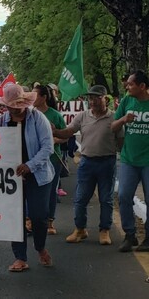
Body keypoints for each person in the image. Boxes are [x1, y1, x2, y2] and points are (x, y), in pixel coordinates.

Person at [0, 84, 55, 272]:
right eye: (11, 105)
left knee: (38, 216)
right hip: (12, 179)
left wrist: (29, 165)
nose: (15, 108)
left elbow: (47, 148)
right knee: (15, 218)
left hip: (38, 176)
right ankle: (20, 257)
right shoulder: (0, 123)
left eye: (18, 105)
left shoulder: (38, 119)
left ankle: (40, 247)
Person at [53, 85, 123, 245]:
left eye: (96, 98)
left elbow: (121, 141)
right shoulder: (83, 116)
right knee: (80, 198)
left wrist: (122, 157)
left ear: (105, 99)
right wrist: (55, 131)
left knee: (106, 199)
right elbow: (68, 132)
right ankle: (80, 229)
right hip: (87, 162)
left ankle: (104, 230)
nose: (92, 101)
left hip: (107, 162)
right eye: (90, 98)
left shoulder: (114, 117)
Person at [111, 70, 149, 252]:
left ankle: (148, 238)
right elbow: (113, 125)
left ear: (142, 86)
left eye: (131, 84)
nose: (127, 86)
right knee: (124, 195)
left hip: (147, 161)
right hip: (128, 160)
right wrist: (124, 119)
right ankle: (130, 235)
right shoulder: (127, 101)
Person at [33, 85, 66, 235]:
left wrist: (53, 140)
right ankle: (31, 221)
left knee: (51, 191)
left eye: (35, 95)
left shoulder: (55, 115)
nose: (32, 98)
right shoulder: (29, 114)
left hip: (53, 159)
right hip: (33, 160)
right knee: (33, 191)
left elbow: (66, 136)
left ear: (44, 98)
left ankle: (49, 222)